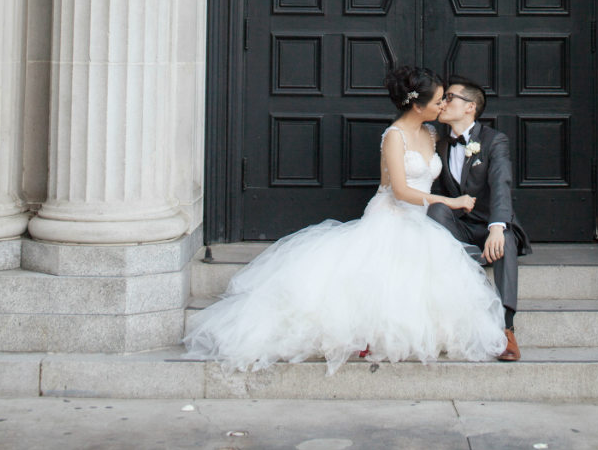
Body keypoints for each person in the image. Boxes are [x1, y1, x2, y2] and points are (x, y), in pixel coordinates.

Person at [183, 66, 507, 375]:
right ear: (419, 106)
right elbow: (401, 190)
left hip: (425, 221)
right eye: (438, 101)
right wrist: (449, 202)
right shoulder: (395, 136)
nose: (443, 105)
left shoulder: (433, 133)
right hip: (393, 215)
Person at [428, 76, 531, 361]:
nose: (443, 102)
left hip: (489, 226)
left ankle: (507, 329)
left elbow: (501, 184)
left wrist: (497, 227)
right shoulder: (440, 143)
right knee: (436, 210)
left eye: (450, 97)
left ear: (470, 107)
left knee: (506, 237)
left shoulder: (494, 140)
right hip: (457, 226)